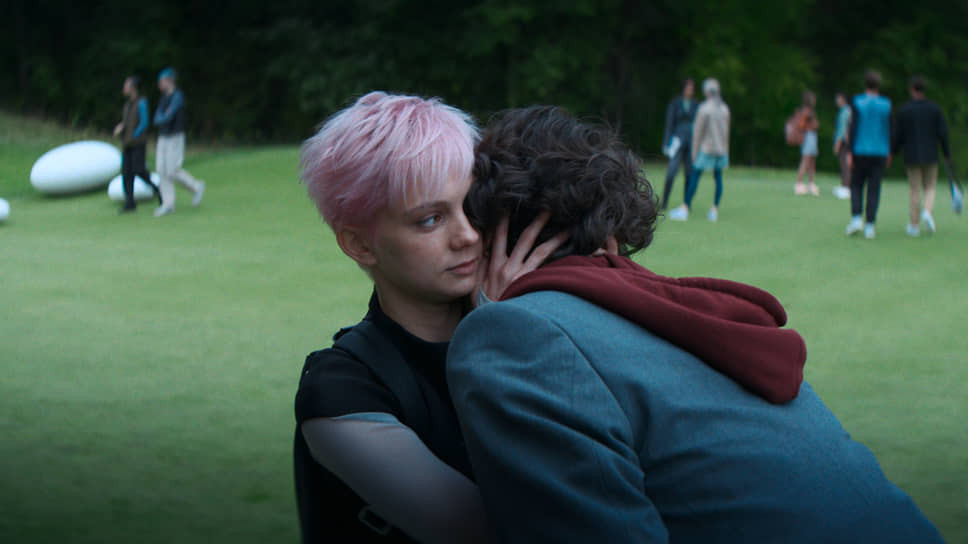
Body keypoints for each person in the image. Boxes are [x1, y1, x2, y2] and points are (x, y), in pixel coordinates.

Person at [447, 104, 944, 543]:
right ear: (611, 240)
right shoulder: (681, 313)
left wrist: (496, 311)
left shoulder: (512, 338)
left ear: (492, 235)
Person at [293, 91, 563, 543]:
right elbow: (496, 531)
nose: (468, 235)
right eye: (430, 220)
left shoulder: (540, 312)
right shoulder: (339, 389)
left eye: (472, 205)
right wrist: (504, 335)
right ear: (359, 244)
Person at [891, 75, 951, 237]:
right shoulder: (934, 109)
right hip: (931, 155)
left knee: (914, 189)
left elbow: (898, 135)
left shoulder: (904, 110)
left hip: (911, 156)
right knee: (930, 187)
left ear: (911, 89)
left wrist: (892, 153)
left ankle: (914, 225)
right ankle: (927, 211)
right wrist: (946, 153)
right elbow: (943, 133)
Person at [669, 78, 729, 222]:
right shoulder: (724, 109)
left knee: (695, 176)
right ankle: (714, 210)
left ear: (706, 91)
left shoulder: (704, 108)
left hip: (706, 149)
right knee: (718, 179)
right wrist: (725, 150)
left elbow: (697, 133)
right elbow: (726, 133)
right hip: (720, 150)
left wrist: (694, 152)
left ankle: (685, 208)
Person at [846, 70, 892, 239]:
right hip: (880, 151)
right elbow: (890, 128)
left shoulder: (857, 102)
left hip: (860, 149)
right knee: (874, 188)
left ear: (865, 84)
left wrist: (849, 151)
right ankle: (870, 225)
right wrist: (890, 151)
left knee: (856, 184)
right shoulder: (886, 104)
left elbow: (852, 127)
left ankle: (856, 217)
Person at [153, 67, 205, 217]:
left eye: (162, 81)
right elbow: (157, 118)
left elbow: (168, 117)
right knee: (161, 170)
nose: (160, 84)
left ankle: (196, 186)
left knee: (172, 170)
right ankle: (168, 204)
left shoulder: (177, 97)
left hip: (175, 137)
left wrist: (164, 117)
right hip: (163, 136)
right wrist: (163, 117)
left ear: (170, 81)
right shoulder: (163, 98)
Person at [112, 75, 161, 212]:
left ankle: (158, 190)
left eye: (126, 85)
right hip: (127, 144)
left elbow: (144, 122)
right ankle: (130, 203)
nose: (124, 88)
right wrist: (121, 127)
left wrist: (134, 135)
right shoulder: (127, 105)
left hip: (138, 143)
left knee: (139, 171)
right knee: (126, 173)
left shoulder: (142, 102)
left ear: (133, 87)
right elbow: (127, 122)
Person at [659, 78, 698, 209]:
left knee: (689, 173)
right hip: (677, 141)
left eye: (692, 88)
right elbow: (669, 124)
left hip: (691, 142)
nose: (690, 90)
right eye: (688, 87)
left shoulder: (695, 104)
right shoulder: (675, 103)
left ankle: (686, 203)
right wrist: (666, 143)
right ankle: (664, 202)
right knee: (671, 172)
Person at [793, 90, 820, 196]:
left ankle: (811, 183)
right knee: (805, 161)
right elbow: (801, 125)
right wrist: (812, 126)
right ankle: (799, 184)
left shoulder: (811, 111)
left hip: (812, 137)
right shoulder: (806, 112)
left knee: (812, 162)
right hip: (808, 137)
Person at [832, 92, 852, 200]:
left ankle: (846, 188)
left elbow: (842, 129)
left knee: (845, 164)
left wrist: (837, 143)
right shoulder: (846, 110)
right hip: (846, 142)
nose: (837, 101)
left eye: (838, 98)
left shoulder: (845, 111)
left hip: (844, 142)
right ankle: (845, 186)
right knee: (845, 164)